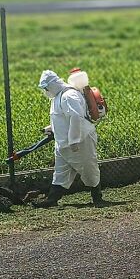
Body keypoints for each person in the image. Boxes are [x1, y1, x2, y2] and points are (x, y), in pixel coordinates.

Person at [34, 70, 104, 208]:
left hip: (80, 141)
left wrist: (74, 140)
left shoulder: (69, 96)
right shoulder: (57, 97)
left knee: (89, 168)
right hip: (63, 144)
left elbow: (76, 117)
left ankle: (97, 197)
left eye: (46, 88)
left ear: (53, 84)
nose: (46, 91)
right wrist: (51, 128)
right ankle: (51, 199)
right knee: (61, 172)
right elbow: (62, 118)